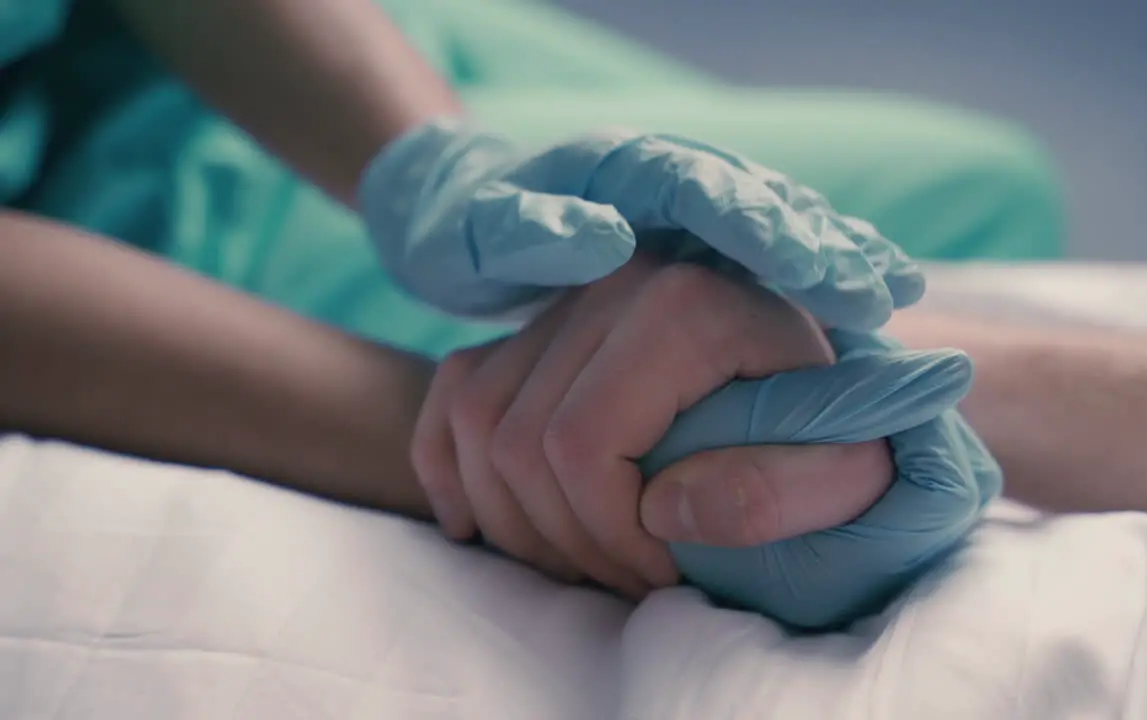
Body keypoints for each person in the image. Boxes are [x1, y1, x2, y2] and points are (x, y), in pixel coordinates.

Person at [0, 0, 1050, 620]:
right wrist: (474, 443)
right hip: (70, 229)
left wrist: (431, 170)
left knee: (995, 190)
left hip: (164, 48)